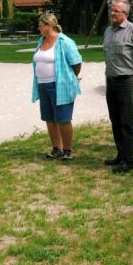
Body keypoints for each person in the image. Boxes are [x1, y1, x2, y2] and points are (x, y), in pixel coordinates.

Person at [102, 0, 133, 173]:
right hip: (111, 81)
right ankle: (120, 154)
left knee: (127, 121)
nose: (112, 13)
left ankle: (129, 159)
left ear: (125, 13)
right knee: (115, 120)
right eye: (111, 10)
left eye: (116, 11)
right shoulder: (108, 30)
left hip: (128, 81)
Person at [31, 13, 83, 160]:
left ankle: (68, 150)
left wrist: (70, 78)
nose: (39, 28)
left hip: (60, 85)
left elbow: (77, 63)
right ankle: (57, 148)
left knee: (63, 118)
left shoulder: (64, 41)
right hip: (43, 85)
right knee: (49, 118)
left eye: (41, 25)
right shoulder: (40, 41)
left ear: (49, 25)